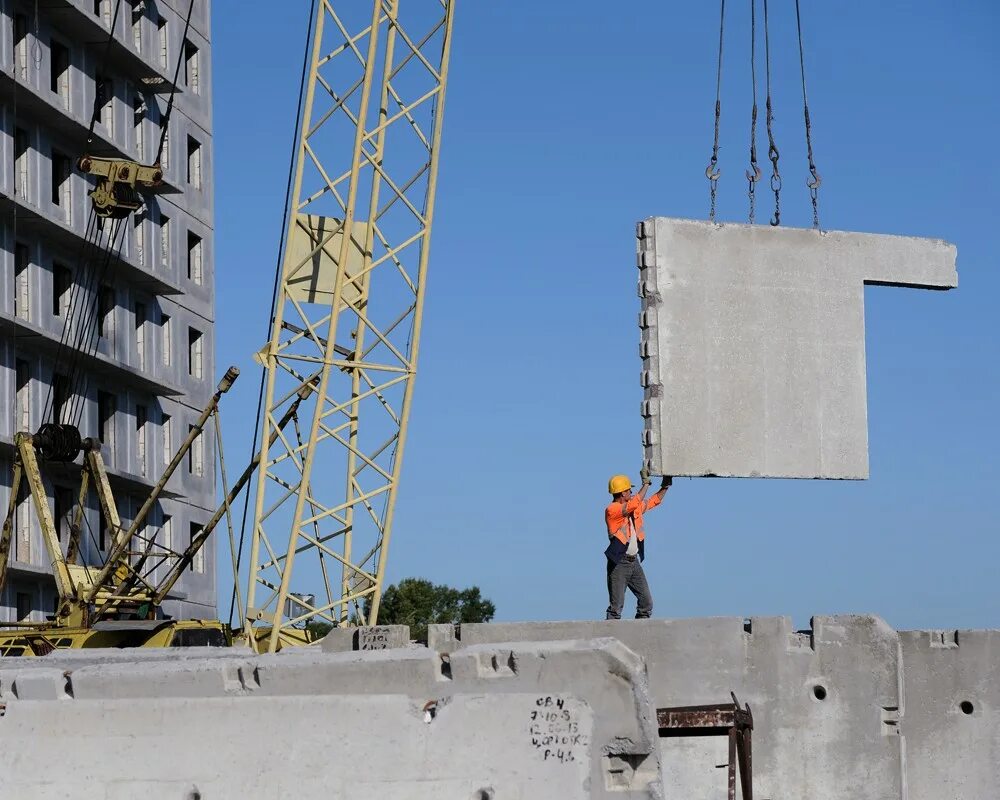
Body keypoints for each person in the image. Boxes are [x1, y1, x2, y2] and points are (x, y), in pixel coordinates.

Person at [604, 469, 672, 620]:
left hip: (633, 562)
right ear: (622, 493)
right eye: (629, 491)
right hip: (619, 563)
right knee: (616, 608)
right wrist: (646, 483)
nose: (631, 493)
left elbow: (653, 501)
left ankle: (641, 634)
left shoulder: (632, 508)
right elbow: (634, 504)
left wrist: (665, 487)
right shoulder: (612, 510)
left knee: (646, 603)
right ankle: (610, 636)